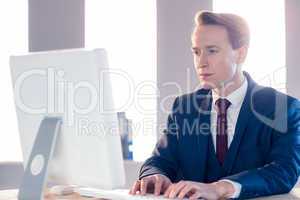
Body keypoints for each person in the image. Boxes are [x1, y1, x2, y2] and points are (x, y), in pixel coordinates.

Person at [129, 10, 300, 199]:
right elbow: (160, 160)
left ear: (241, 54)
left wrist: (221, 188)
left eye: (212, 51)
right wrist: (154, 174)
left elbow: (284, 171)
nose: (201, 62)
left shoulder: (283, 108)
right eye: (196, 52)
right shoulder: (184, 107)